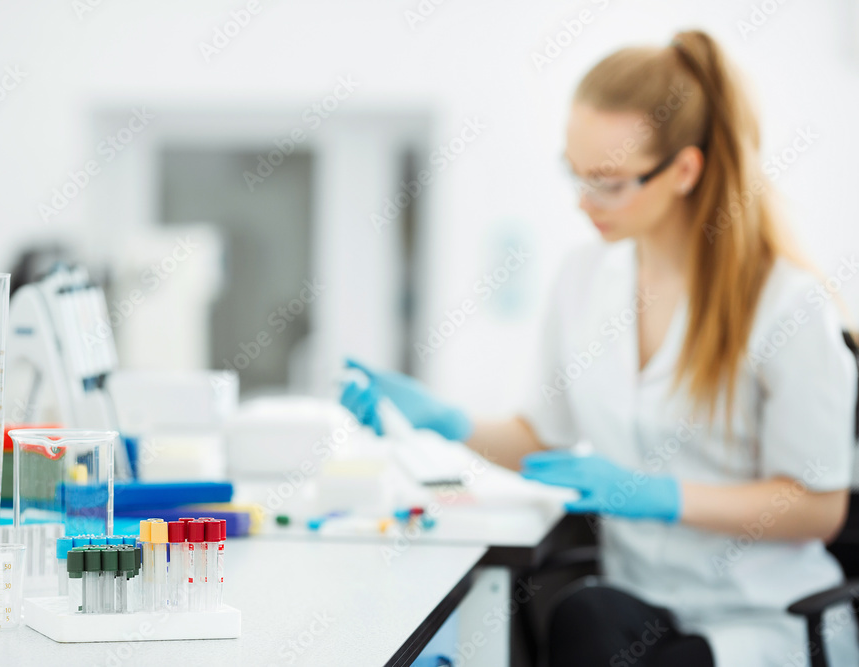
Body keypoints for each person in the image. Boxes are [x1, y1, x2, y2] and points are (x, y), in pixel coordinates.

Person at [340, 30, 859, 667]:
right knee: (579, 615)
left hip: (761, 619)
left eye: (609, 182)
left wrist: (660, 494)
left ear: (684, 171)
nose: (583, 202)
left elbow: (820, 506)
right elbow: (541, 436)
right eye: (576, 173)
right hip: (637, 605)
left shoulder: (785, 304)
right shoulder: (584, 278)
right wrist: (447, 422)